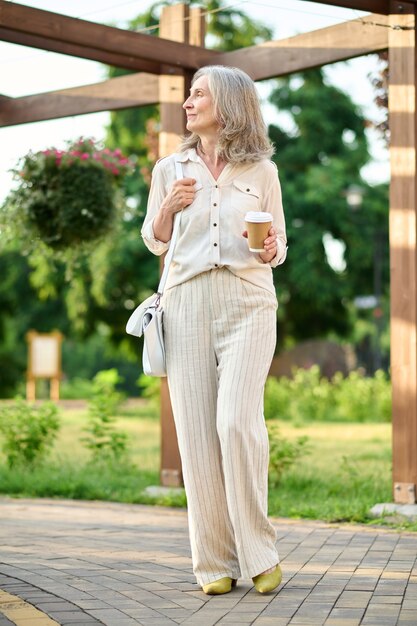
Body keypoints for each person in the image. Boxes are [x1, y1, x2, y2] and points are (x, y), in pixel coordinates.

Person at [141, 65, 287, 595]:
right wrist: (169, 208)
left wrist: (271, 249)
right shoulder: (169, 168)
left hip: (249, 301)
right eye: (188, 94)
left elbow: (278, 246)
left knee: (235, 423)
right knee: (198, 435)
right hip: (186, 302)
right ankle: (214, 563)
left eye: (198, 93)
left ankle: (259, 551)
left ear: (228, 103)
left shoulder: (262, 172)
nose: (188, 101)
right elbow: (155, 241)